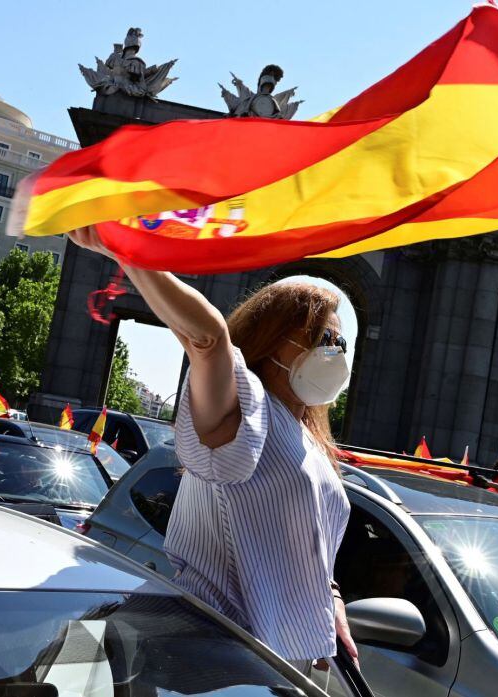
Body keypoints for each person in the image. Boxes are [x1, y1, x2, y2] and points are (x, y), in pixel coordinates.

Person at [65, 226, 355, 689]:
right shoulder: (248, 406)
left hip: (282, 669)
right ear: (274, 337)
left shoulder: (308, 437)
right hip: (217, 661)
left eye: (339, 343)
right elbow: (207, 338)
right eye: (322, 336)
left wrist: (330, 596)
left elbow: (310, 539)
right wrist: (123, 245)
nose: (334, 353)